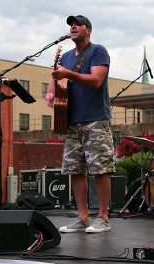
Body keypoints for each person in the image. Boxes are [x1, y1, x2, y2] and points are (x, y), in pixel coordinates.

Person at [45, 15, 114, 233]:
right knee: (75, 170)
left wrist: (68, 74)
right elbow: (56, 79)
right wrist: (50, 93)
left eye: (77, 24)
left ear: (88, 30)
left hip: (95, 119)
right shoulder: (65, 56)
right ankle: (83, 217)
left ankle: (103, 217)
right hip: (71, 120)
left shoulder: (97, 51)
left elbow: (96, 80)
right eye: (70, 24)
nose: (72, 26)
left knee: (100, 169)